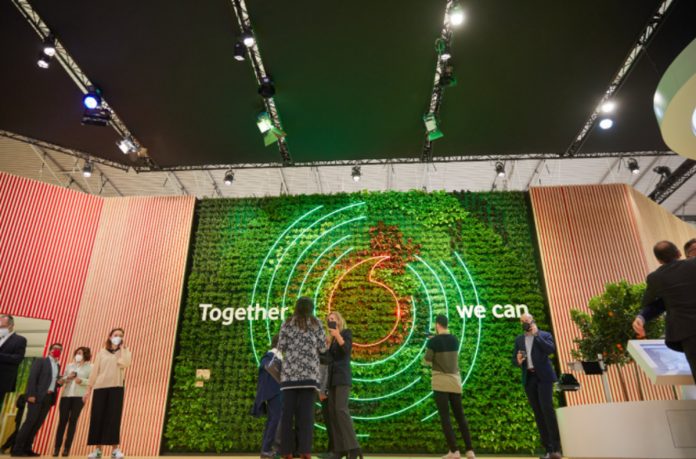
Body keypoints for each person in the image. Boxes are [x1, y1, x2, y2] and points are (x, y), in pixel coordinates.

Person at [633, 241, 696, 379]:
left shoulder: (655, 278)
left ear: (659, 260)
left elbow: (649, 303)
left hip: (688, 335)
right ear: (679, 253)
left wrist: (641, 317)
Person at [277, 297, 326, 459]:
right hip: (309, 377)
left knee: (286, 416)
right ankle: (305, 451)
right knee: (306, 417)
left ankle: (286, 452)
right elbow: (323, 347)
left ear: (296, 307)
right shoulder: (316, 323)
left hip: (289, 377)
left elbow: (280, 347)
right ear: (311, 308)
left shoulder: (288, 323)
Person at [424, 314, 475, 459]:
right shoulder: (455, 339)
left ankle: (454, 451)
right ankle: (470, 450)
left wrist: (431, 343)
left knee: (445, 417)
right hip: (455, 380)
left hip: (440, 382)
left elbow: (427, 360)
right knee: (460, 416)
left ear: (437, 325)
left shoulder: (433, 342)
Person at [512, 314, 561, 459]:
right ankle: (548, 449)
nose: (524, 323)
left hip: (544, 377)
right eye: (522, 322)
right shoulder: (519, 340)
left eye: (526, 321)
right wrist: (518, 361)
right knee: (538, 413)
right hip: (529, 378)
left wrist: (536, 334)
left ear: (532, 320)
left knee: (547, 409)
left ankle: (556, 449)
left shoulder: (545, 335)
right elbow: (514, 359)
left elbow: (550, 350)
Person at [84, 328, 132, 459]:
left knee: (114, 418)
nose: (118, 337)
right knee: (97, 417)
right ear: (110, 336)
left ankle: (115, 450)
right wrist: (88, 389)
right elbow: (95, 372)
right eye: (116, 335)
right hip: (100, 388)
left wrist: (122, 349)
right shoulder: (101, 352)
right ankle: (97, 450)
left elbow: (125, 363)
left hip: (116, 388)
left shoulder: (125, 351)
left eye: (121, 335)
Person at [12, 342, 63, 457]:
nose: (57, 351)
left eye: (60, 349)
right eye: (55, 348)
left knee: (37, 424)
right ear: (50, 350)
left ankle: (27, 448)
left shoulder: (57, 365)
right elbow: (32, 378)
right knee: (30, 422)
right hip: (36, 396)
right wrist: (31, 394)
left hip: (49, 398)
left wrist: (59, 383)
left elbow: (52, 383)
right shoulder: (41, 361)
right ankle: (17, 449)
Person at [326, 311, 362, 459]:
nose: (331, 322)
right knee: (333, 413)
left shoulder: (346, 333)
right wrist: (326, 347)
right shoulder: (332, 340)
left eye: (333, 319)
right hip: (332, 379)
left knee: (341, 410)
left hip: (342, 378)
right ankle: (340, 449)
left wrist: (337, 335)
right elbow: (327, 359)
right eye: (328, 320)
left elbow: (346, 350)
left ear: (339, 321)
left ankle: (354, 447)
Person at [53, 347, 93, 457]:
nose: (77, 355)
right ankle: (56, 448)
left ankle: (66, 449)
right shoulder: (69, 366)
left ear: (85, 355)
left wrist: (82, 381)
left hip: (79, 397)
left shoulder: (90, 367)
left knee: (73, 421)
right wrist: (67, 377)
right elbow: (62, 379)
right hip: (66, 396)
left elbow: (92, 380)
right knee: (62, 421)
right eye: (76, 353)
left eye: (80, 353)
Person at [253, 335, 282, 459]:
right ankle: (266, 450)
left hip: (276, 393)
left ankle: (268, 449)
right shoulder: (271, 356)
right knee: (274, 421)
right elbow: (265, 366)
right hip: (274, 393)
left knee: (273, 421)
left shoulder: (277, 356)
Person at [0, 314, 27, 413]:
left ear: (11, 326)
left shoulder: (19, 340)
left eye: (2, 326)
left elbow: (18, 358)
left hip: (2, 380)